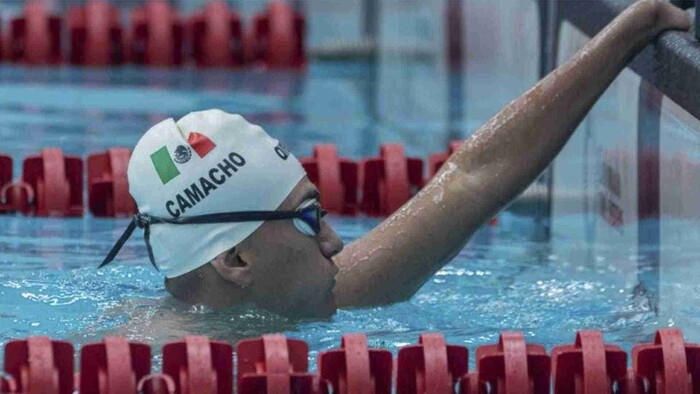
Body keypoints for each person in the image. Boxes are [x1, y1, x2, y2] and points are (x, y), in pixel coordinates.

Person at [101, 0, 691, 317]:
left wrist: (631, 29)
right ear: (234, 261)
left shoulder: (302, 299)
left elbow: (469, 181)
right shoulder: (136, 366)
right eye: (309, 218)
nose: (334, 241)